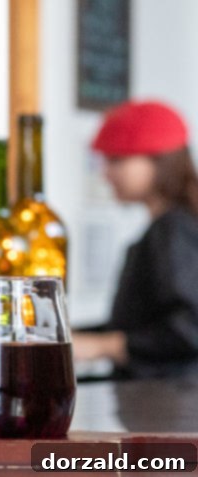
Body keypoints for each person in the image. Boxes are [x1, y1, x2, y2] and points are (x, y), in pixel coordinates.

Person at [72, 100, 198, 378]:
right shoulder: (174, 225)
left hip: (168, 406)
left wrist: (102, 346)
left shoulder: (172, 229)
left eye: (117, 160)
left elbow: (190, 329)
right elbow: (141, 326)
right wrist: (75, 337)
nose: (105, 172)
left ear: (160, 160)